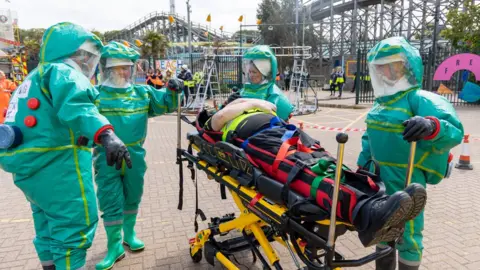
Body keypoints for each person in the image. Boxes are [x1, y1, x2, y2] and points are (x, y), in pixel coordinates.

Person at [196, 98, 427, 248]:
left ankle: (377, 201)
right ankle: (364, 212)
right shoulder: (220, 121)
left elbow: (273, 107)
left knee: (324, 162)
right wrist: (238, 106)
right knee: (303, 171)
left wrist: (243, 104)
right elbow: (214, 125)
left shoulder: (245, 105)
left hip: (285, 132)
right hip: (258, 141)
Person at [0, 22, 132, 270]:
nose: (87, 63)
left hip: (29, 167)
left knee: (46, 224)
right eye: (86, 57)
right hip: (59, 165)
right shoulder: (63, 72)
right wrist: (106, 135)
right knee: (74, 223)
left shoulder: (32, 78)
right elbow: (78, 106)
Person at [357, 36, 464, 270]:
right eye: (379, 67)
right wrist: (363, 164)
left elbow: (454, 130)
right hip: (379, 177)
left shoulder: (418, 99)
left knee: (409, 231)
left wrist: (431, 125)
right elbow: (369, 138)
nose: (385, 71)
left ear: (406, 66)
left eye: (391, 65)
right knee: (381, 227)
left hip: (408, 178)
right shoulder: (379, 104)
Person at [93, 41, 182, 269]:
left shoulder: (141, 92)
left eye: (126, 67)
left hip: (136, 155)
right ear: (107, 68)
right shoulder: (96, 96)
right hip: (106, 157)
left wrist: (172, 89)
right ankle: (114, 246)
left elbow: (164, 104)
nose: (123, 71)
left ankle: (129, 234)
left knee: (133, 194)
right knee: (109, 198)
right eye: (118, 67)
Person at [234, 45, 294, 121]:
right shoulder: (246, 88)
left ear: (264, 73)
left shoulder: (273, 94)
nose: (251, 75)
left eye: (254, 72)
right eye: (249, 72)